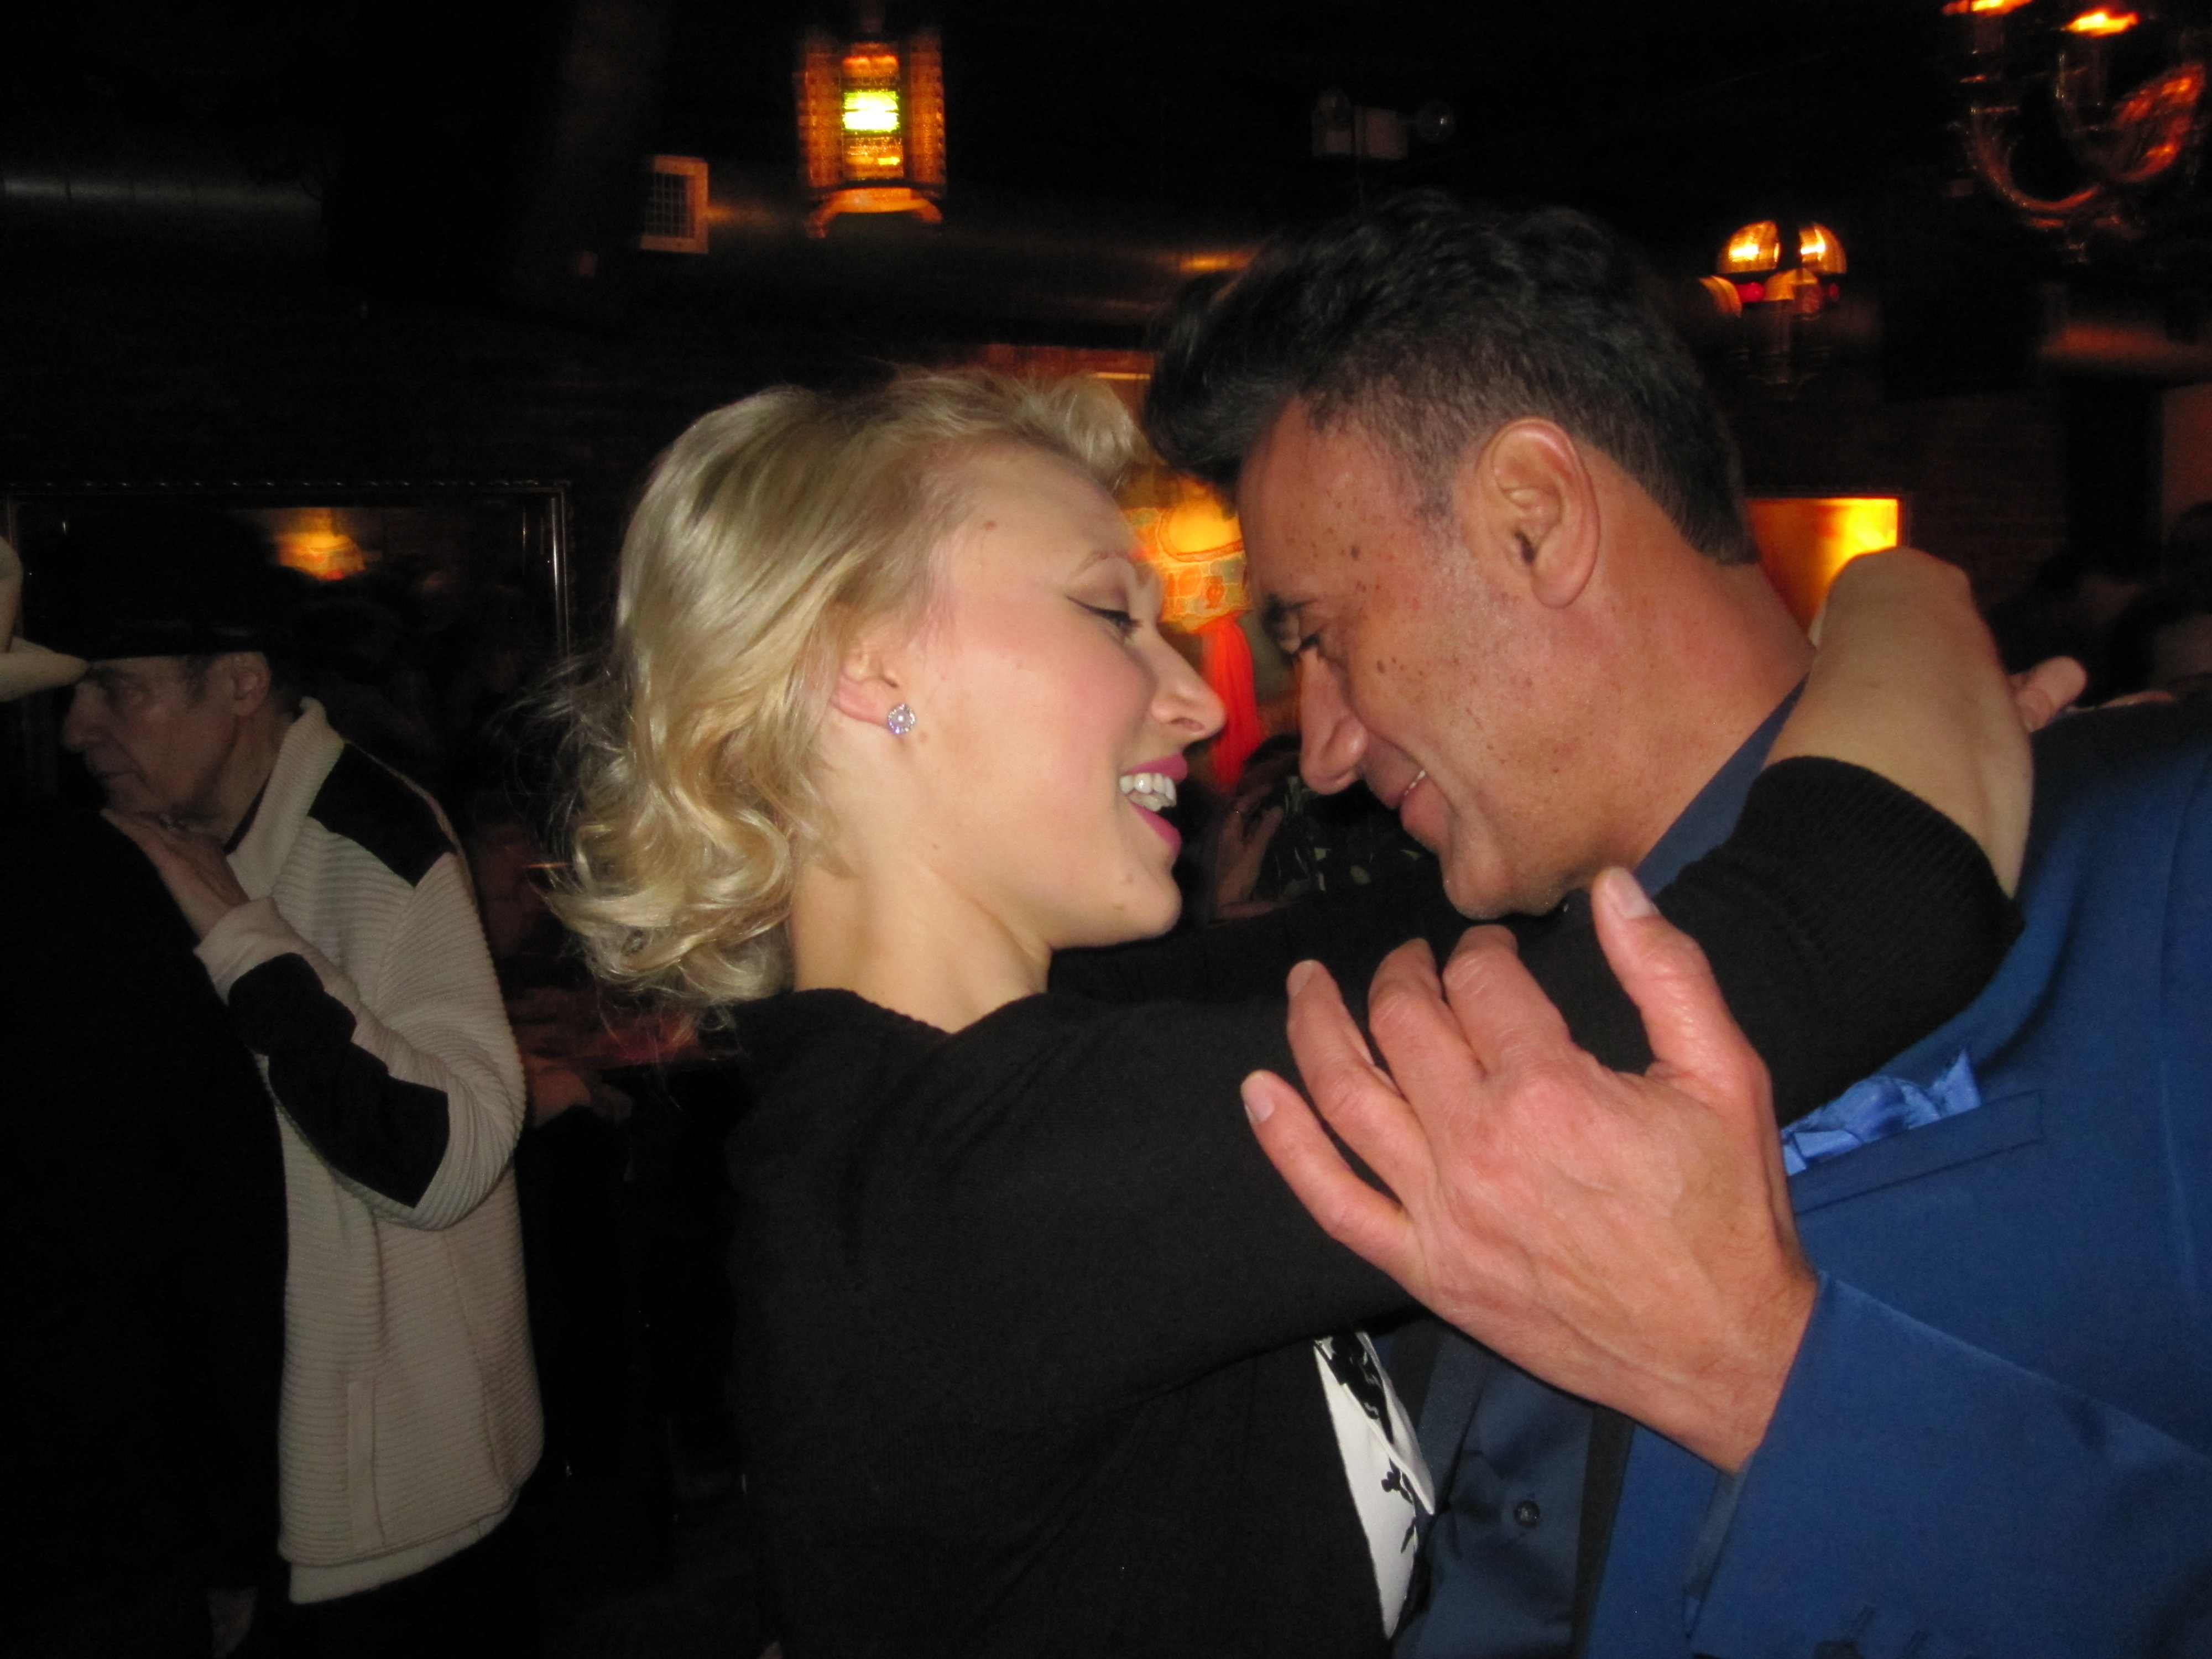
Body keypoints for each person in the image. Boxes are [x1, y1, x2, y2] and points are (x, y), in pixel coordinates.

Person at [552, 369, 2028, 1658]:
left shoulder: (977, 1076)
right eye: (1107, 613)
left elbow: (1505, 918)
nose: (1198, 704)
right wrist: (1896, 601)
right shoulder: (989, 1178)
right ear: (859, 663)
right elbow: (1852, 918)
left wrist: (1889, 741)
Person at [1145, 191, 2212, 1654]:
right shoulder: (1459, 976)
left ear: (1533, 520)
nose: (1319, 752)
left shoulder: (2166, 854)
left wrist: (1760, 1375)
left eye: (1321, 635)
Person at [48, 508, 541, 1658]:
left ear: (240, 682)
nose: (76, 728)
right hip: (229, 1485)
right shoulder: (136, 848)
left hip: (391, 1512)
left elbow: (448, 1157)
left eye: (116, 689)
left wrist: (242, 937)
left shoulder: (375, 843)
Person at [0, 533, 286, 1659]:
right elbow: (214, 1223)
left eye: (115, 690)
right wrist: (230, 1528)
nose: (79, 731)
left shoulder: (100, 880)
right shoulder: (91, 887)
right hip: (91, 1529)